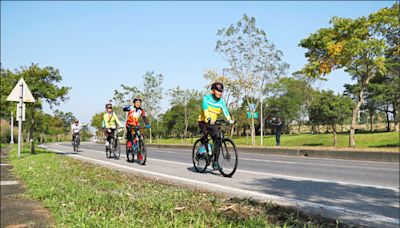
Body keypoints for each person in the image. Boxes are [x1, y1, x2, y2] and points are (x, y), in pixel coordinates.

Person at [197, 82, 235, 170]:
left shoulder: (221, 102)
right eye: (218, 91)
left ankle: (215, 163)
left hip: (213, 123)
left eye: (221, 91)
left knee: (218, 139)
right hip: (203, 121)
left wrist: (229, 120)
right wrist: (209, 118)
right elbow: (205, 110)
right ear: (213, 91)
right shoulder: (206, 98)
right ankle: (202, 149)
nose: (220, 93)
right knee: (206, 135)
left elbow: (225, 111)